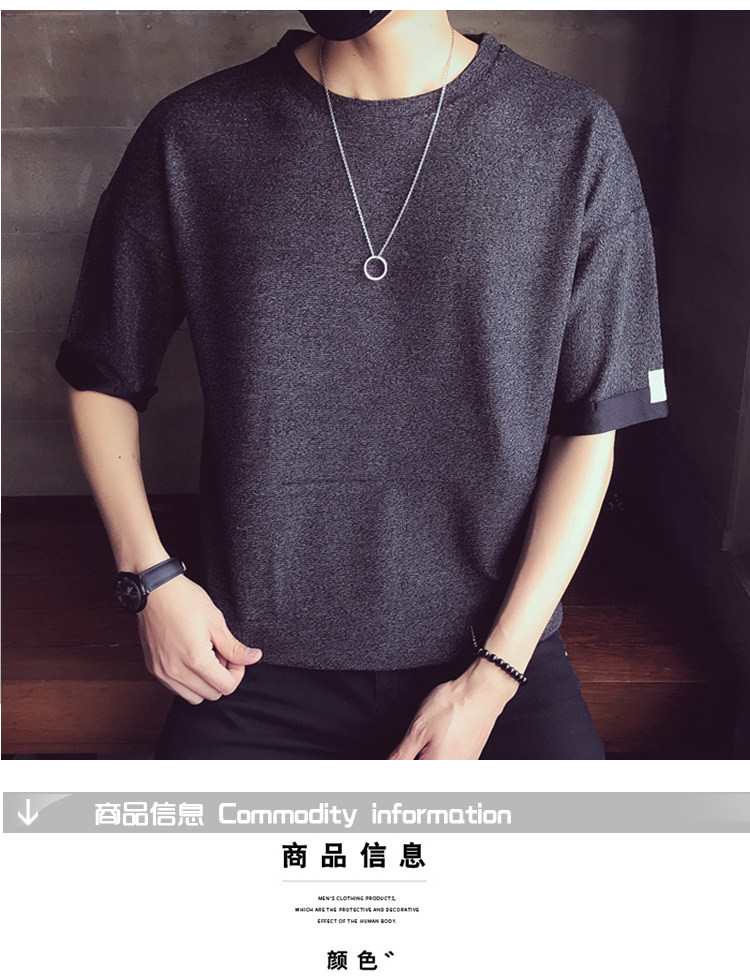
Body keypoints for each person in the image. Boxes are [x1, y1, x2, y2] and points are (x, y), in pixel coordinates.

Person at [55, 10, 668, 760]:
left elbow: (591, 427)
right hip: (249, 661)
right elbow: (100, 371)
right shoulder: (195, 132)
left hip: (496, 655)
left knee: (592, 841)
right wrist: (148, 578)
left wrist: (493, 679)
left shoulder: (570, 133)